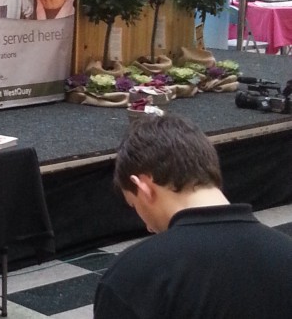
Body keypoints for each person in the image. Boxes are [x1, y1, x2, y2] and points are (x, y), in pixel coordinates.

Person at [94, 115, 292, 319]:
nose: (148, 227)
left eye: (135, 205)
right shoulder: (285, 252)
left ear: (143, 187)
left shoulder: (134, 272)